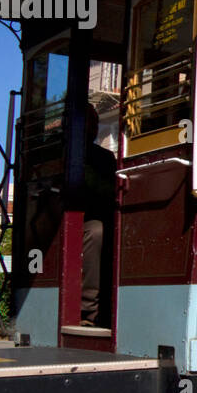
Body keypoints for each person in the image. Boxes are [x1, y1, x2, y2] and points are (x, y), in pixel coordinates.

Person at [81, 105, 117, 326]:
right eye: (88, 122)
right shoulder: (60, 152)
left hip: (101, 213)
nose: (93, 128)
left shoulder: (105, 156)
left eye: (95, 123)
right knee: (96, 232)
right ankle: (88, 312)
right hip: (73, 218)